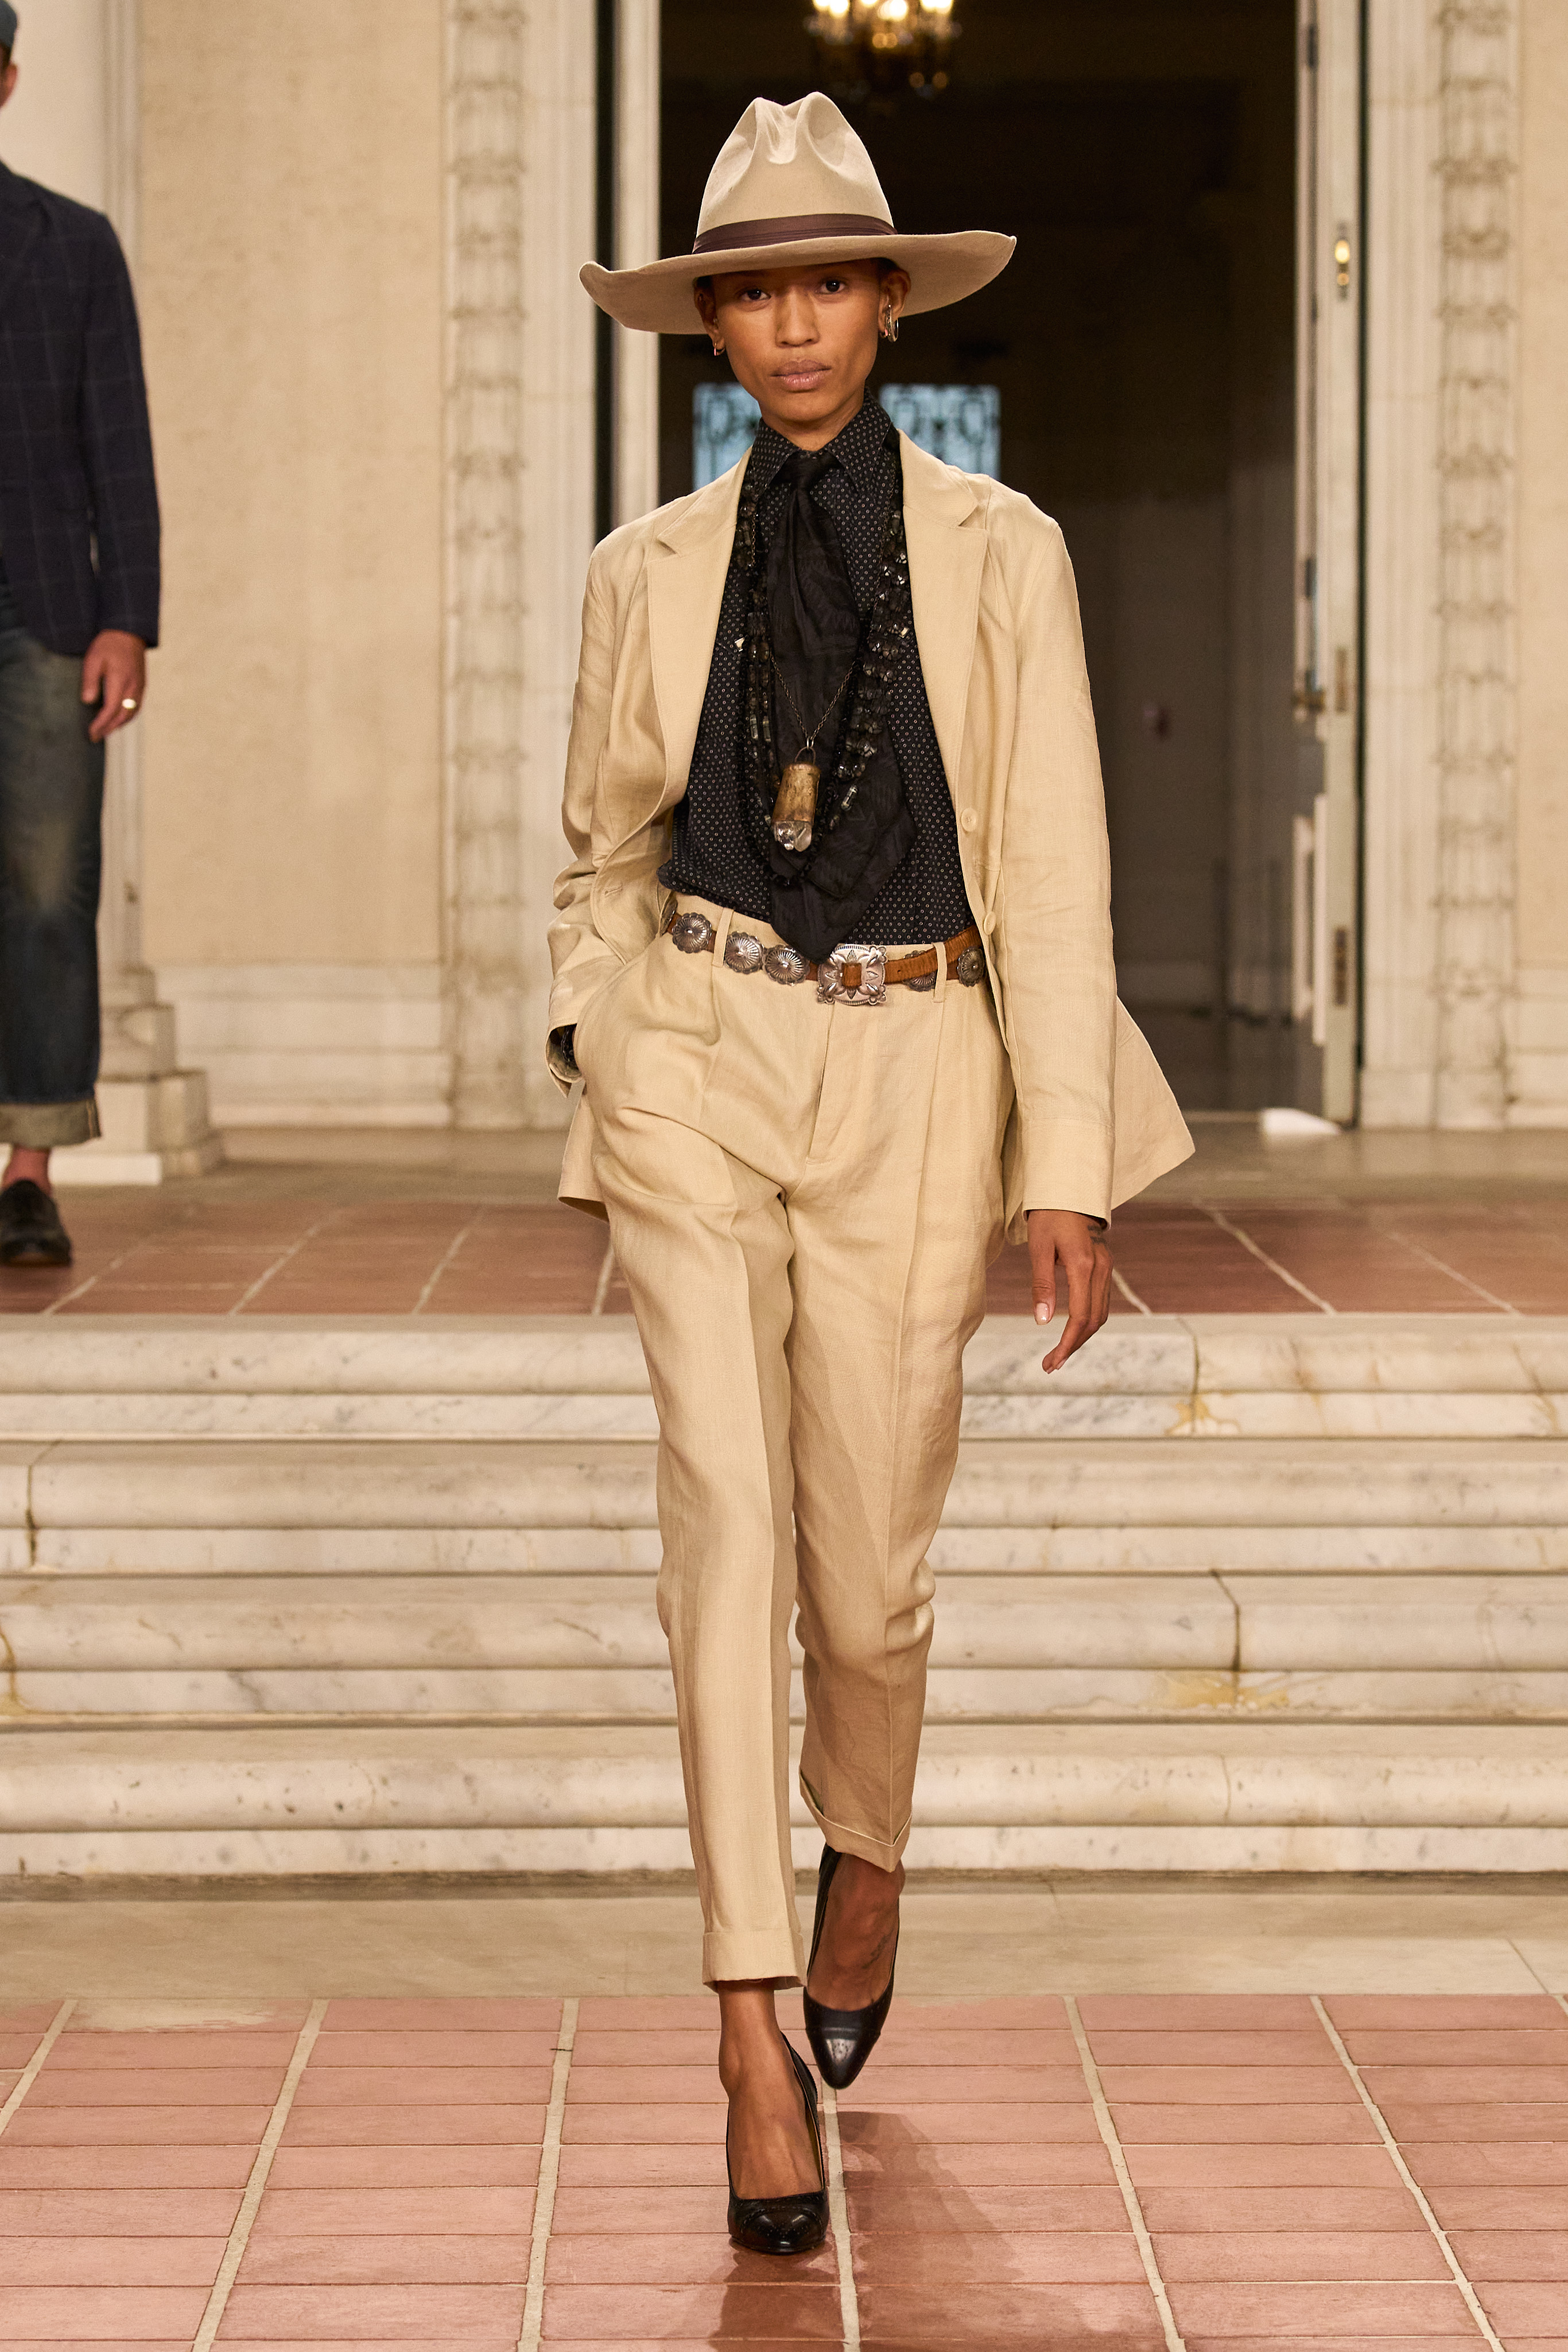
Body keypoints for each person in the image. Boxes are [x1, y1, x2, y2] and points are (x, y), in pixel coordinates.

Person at [552, 92, 1191, 2256]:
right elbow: (597, 852)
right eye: (755, 292)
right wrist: (600, 1029)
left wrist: (1064, 1162)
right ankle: (746, 2027)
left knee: (870, 1571)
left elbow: (1058, 867)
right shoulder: (641, 571)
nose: (797, 323)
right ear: (714, 327)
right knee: (723, 1524)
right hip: (699, 1051)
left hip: (924, 1059)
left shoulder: (1007, 552)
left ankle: (871, 1850)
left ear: (887, 301)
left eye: (830, 281)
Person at [0, 2, 159, 1267]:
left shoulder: (75, 245)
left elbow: (121, 443)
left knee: (50, 888)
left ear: (5, 81)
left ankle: (29, 1170)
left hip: (44, 610)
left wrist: (127, 617)